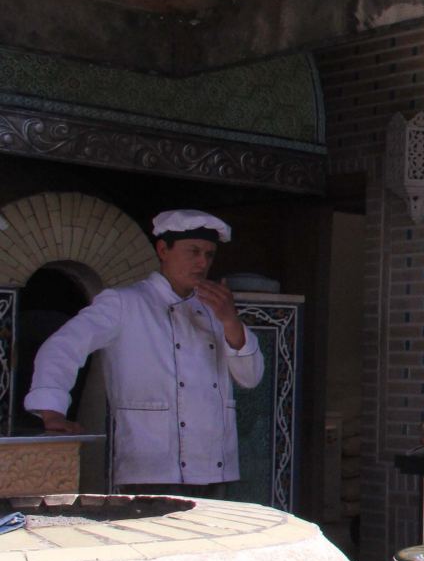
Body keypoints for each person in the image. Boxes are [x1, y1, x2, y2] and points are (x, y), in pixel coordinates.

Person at [23, 209, 264, 497]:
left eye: (209, 255)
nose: (202, 262)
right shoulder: (124, 303)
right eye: (194, 251)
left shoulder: (216, 310)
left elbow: (250, 377)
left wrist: (230, 322)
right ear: (163, 250)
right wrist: (53, 414)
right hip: (150, 468)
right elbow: (62, 347)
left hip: (216, 466)